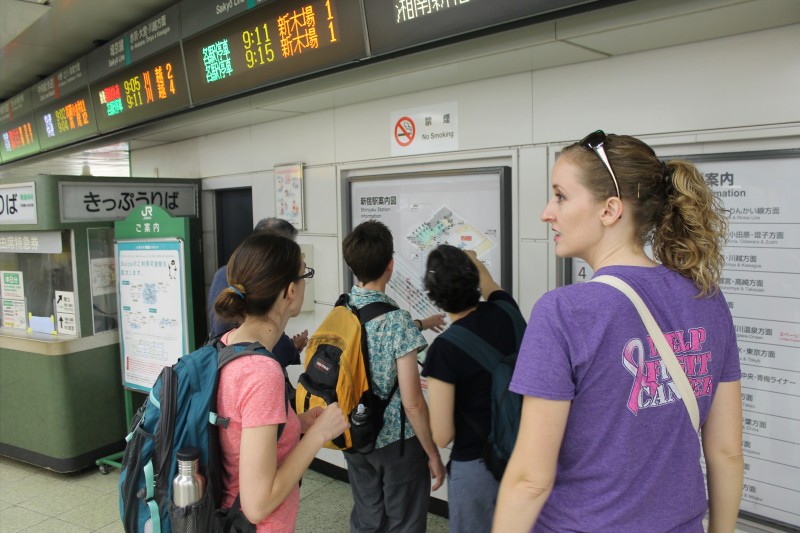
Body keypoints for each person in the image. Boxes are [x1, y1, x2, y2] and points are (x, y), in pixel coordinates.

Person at [494, 131, 743, 532]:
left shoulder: (564, 312)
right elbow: (727, 452)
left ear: (610, 209)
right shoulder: (706, 299)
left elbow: (530, 480)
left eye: (560, 196)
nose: (546, 213)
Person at [213, 232, 349, 532]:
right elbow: (257, 505)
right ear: (290, 290)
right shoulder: (262, 372)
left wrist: (295, 423)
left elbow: (239, 431)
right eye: (305, 274)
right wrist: (319, 434)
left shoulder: (227, 343)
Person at [341, 220, 446, 533]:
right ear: (390, 265)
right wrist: (433, 454)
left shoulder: (343, 309)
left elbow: (372, 333)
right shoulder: (396, 322)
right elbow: (413, 404)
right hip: (395, 445)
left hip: (355, 435)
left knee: (368, 519)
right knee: (404, 523)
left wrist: (422, 324)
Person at [421, 245, 523, 533]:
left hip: (479, 465)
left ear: (433, 295)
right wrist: (472, 260)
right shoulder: (506, 309)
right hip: (524, 452)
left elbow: (443, 435)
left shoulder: (444, 349)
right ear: (473, 281)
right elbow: (490, 284)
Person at [208, 217, 307, 366]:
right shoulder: (259, 367)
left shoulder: (227, 273)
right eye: (285, 247)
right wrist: (290, 349)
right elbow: (263, 327)